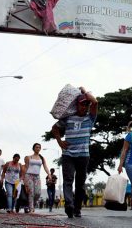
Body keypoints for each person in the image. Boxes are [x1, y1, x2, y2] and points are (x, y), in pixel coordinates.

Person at [51, 87, 98, 218]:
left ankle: (77, 208)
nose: (85, 107)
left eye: (86, 104)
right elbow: (54, 128)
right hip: (68, 155)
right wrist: (60, 142)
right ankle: (69, 205)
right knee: (68, 180)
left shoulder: (90, 118)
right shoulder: (68, 118)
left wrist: (84, 91)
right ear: (76, 105)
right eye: (82, 104)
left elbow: (95, 102)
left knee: (80, 184)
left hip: (83, 156)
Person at [24, 143, 51, 213]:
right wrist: (24, 178)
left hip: (37, 176)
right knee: (31, 192)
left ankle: (32, 204)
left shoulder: (41, 158)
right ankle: (31, 209)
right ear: (33, 148)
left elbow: (45, 167)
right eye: (36, 147)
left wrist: (49, 174)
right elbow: (26, 168)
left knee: (38, 193)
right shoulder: (29, 157)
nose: (38, 148)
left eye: (39, 147)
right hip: (29, 175)